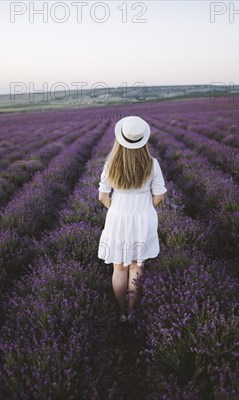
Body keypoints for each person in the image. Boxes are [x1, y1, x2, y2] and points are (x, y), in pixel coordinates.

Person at [97, 115, 167, 323]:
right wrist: (146, 210)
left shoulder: (111, 164)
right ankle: (132, 310)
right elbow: (160, 196)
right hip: (143, 220)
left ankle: (121, 313)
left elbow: (102, 196)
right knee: (137, 267)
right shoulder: (152, 164)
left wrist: (116, 210)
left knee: (119, 268)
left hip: (118, 220)